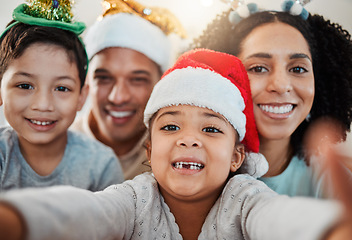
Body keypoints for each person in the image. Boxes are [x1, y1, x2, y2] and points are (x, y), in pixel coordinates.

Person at [0, 48, 351, 240]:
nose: (188, 138)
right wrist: (20, 220)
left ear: (236, 156)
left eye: (211, 130)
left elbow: (280, 219)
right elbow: (87, 212)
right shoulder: (135, 199)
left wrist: (327, 229)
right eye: (170, 126)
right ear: (150, 151)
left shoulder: (246, 200)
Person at [192, 0, 352, 197]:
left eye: (298, 69)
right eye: (258, 68)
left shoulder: (336, 185)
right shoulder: (188, 165)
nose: (280, 85)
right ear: (222, 75)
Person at [0, 1, 124, 191]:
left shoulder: (101, 166)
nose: (43, 104)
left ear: (82, 97)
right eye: (25, 85)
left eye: (62, 88)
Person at [70, 0, 188, 180]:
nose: (118, 97)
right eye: (104, 78)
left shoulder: (180, 156)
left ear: (161, 85)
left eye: (137, 80)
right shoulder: (56, 146)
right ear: (86, 82)